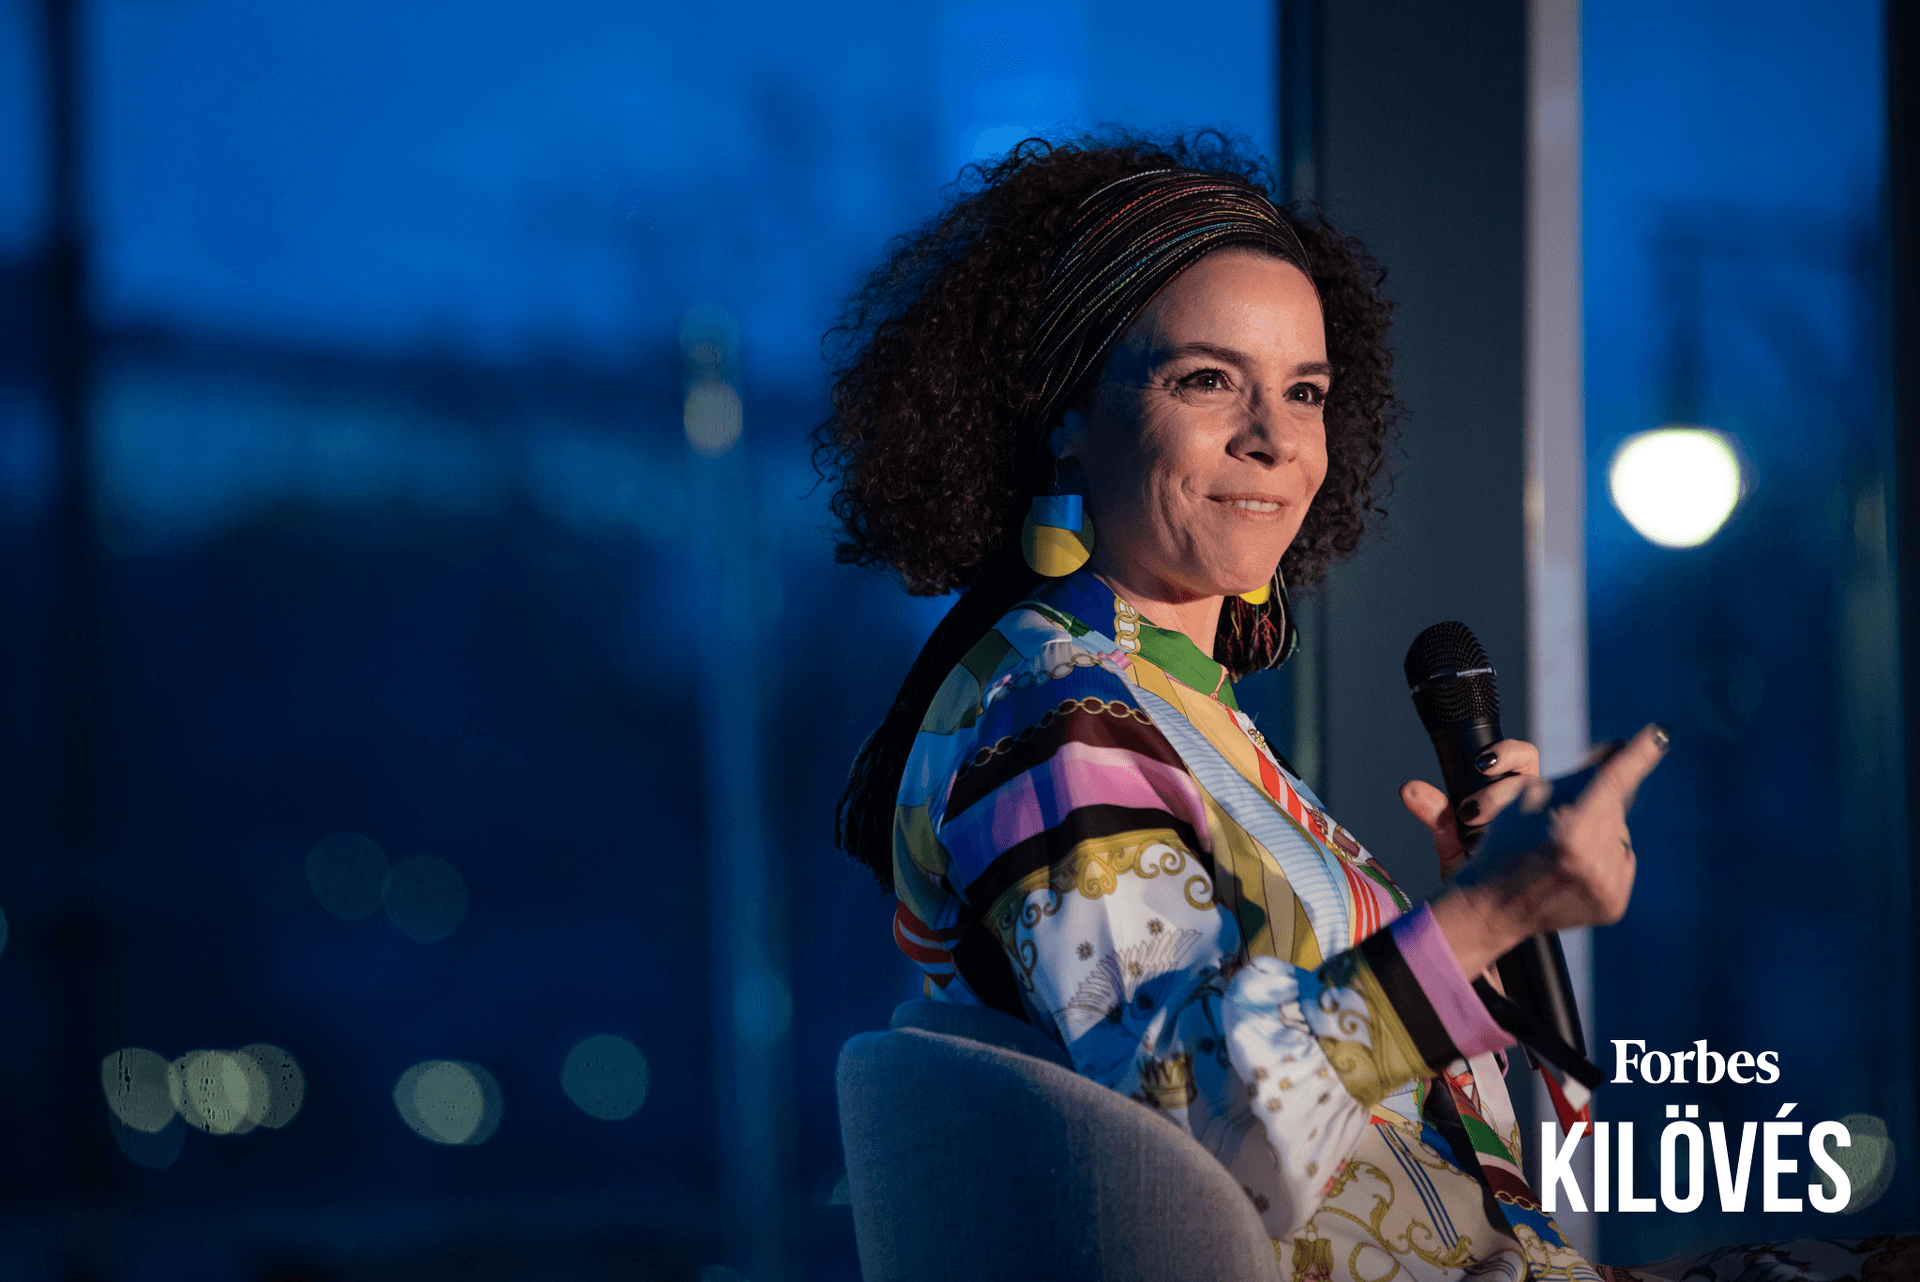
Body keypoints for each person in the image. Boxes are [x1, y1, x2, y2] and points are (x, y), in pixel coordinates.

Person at [815, 133, 1913, 1282]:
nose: (1275, 439)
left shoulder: (1170, 706)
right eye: (1205, 380)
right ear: (1066, 413)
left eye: (1306, 392)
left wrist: (1494, 924)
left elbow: (1406, 1134)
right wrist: (1482, 911)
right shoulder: (1057, 712)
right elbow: (1197, 1130)